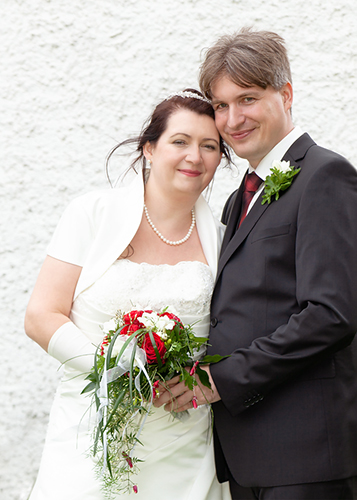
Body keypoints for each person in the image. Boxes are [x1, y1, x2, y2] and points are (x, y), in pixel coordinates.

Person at [155, 29, 357, 499]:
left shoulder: (326, 176)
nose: (232, 119)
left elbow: (331, 314)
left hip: (305, 454)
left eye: (247, 98)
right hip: (246, 454)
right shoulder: (236, 200)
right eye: (220, 105)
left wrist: (220, 379)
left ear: (285, 94)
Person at [24, 89, 233, 500]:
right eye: (180, 141)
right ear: (149, 149)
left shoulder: (225, 241)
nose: (195, 156)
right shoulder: (91, 214)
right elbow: (41, 316)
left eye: (210, 146)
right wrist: (119, 369)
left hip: (183, 438)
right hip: (92, 433)